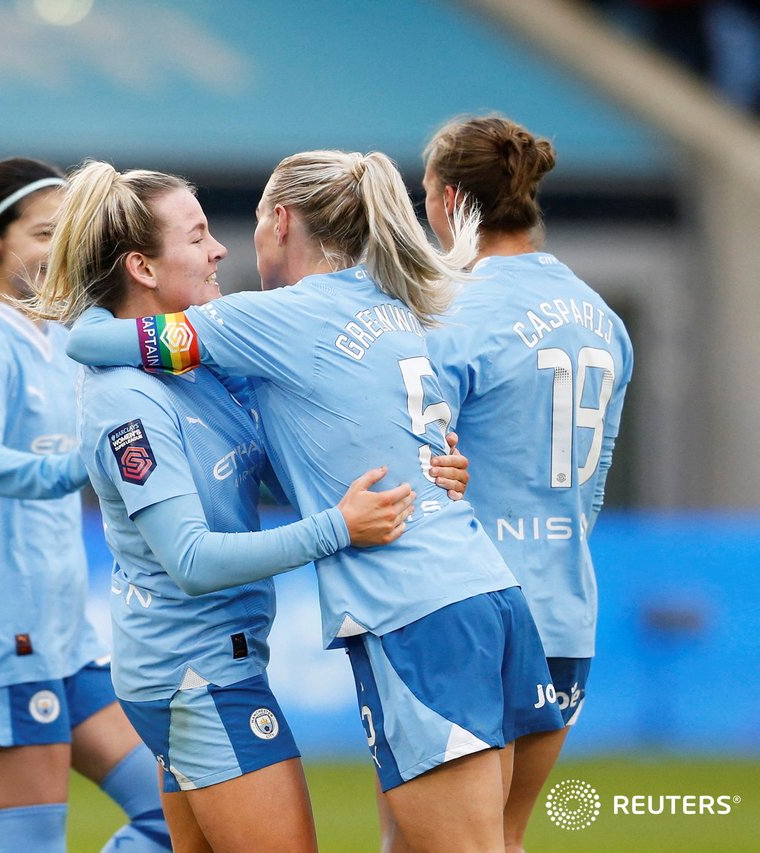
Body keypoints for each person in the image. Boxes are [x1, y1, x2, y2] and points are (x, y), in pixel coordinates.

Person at [63, 150, 566, 852]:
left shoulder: (251, 341)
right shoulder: (369, 308)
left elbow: (90, 339)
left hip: (413, 611)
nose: (220, 250)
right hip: (226, 659)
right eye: (199, 234)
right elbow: (190, 555)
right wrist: (360, 513)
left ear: (282, 220)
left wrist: (420, 473)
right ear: (141, 267)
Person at [0, 157, 171, 853]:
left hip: (67, 637)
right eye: (42, 232)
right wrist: (80, 467)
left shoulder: (68, 336)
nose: (55, 249)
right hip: (5, 635)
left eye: (65, 233)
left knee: (176, 814)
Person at [422, 115, 633, 853]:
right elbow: (594, 483)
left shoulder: (451, 313)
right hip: (565, 606)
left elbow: (421, 461)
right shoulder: (603, 319)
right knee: (504, 838)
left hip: (466, 608)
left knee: (429, 839)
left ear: (449, 200)